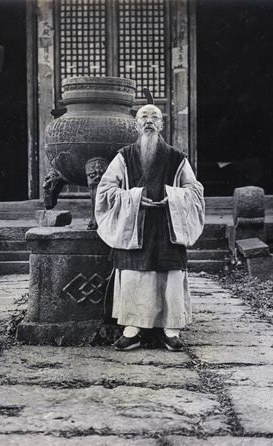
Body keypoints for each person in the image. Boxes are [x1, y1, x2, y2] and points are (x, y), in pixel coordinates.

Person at [95, 104, 205, 352]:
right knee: (135, 276)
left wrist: (173, 198)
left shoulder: (177, 158)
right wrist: (133, 199)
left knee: (169, 276)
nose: (148, 121)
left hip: (167, 224)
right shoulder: (124, 156)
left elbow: (195, 190)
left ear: (162, 125)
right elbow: (106, 190)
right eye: (143, 117)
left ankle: (171, 330)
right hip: (135, 224)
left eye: (155, 117)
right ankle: (132, 330)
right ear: (136, 124)